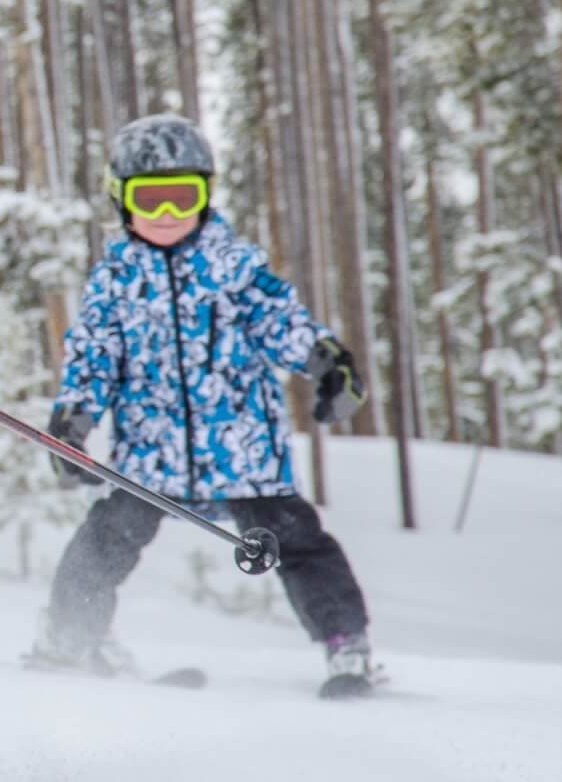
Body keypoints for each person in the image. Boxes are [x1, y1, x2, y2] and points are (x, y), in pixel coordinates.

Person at [33, 112, 379, 697]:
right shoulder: (114, 281)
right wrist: (74, 421)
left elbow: (280, 322)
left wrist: (325, 362)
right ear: (121, 200)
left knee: (298, 541)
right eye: (151, 201)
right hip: (152, 455)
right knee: (103, 540)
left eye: (182, 199)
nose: (167, 216)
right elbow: (94, 357)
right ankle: (69, 637)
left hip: (243, 449)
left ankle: (346, 643)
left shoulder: (235, 268)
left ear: (206, 195)